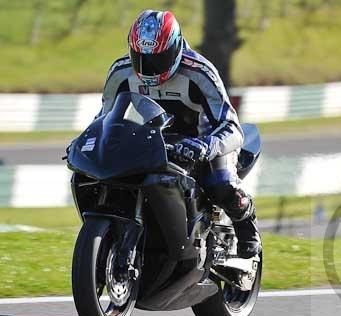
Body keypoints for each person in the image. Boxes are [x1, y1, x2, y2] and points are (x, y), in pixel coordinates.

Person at [99, 10, 260, 258]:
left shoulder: (200, 72)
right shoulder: (120, 72)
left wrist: (207, 147)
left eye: (157, 59)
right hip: (151, 143)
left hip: (203, 142)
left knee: (221, 184)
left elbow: (231, 127)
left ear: (175, 49)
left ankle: (246, 225)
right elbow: (104, 117)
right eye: (140, 58)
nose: (147, 68)